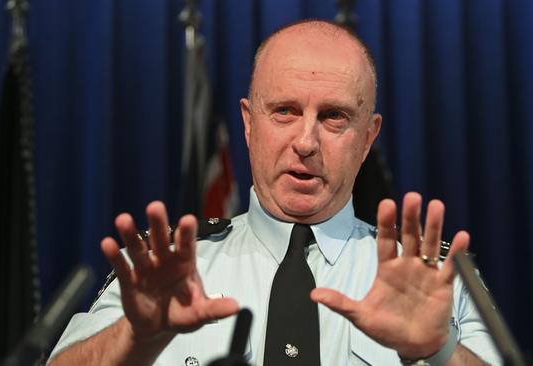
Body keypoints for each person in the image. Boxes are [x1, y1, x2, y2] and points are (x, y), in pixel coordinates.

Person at [48, 19, 500, 365]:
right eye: (284, 111)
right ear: (248, 124)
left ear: (367, 138)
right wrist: (135, 337)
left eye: (334, 117)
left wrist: (439, 351)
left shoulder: (434, 276)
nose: (306, 142)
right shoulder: (162, 267)